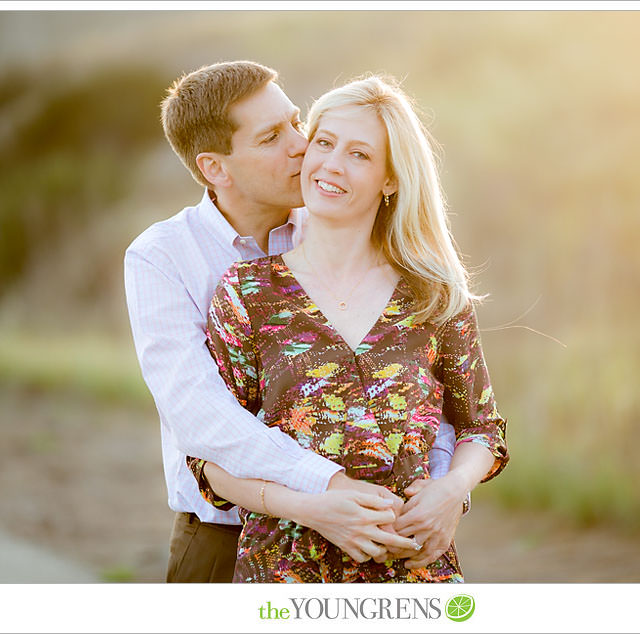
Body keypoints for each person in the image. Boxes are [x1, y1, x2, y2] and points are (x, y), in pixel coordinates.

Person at [124, 61, 459, 583]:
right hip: (225, 538)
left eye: (296, 122)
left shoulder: (337, 221)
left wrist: (437, 492)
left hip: (372, 534)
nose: (303, 146)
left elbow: (412, 378)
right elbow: (203, 419)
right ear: (215, 168)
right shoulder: (162, 257)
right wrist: (323, 488)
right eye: (272, 137)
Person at [187, 74, 509, 582]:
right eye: (324, 142)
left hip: (412, 574)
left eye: (360, 154)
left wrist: (451, 491)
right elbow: (211, 462)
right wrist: (309, 506)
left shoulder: (434, 293)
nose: (332, 165)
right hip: (285, 576)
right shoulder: (247, 292)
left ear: (391, 178)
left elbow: (481, 429)